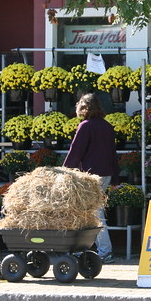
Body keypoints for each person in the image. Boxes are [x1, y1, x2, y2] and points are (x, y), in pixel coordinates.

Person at [62, 93, 120, 263]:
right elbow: (112, 154)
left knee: (92, 212)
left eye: (79, 104)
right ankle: (87, 250)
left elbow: (75, 151)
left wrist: (64, 172)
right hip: (106, 174)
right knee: (91, 211)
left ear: (85, 108)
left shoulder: (85, 126)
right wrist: (115, 179)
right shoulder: (107, 126)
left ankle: (102, 251)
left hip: (90, 175)